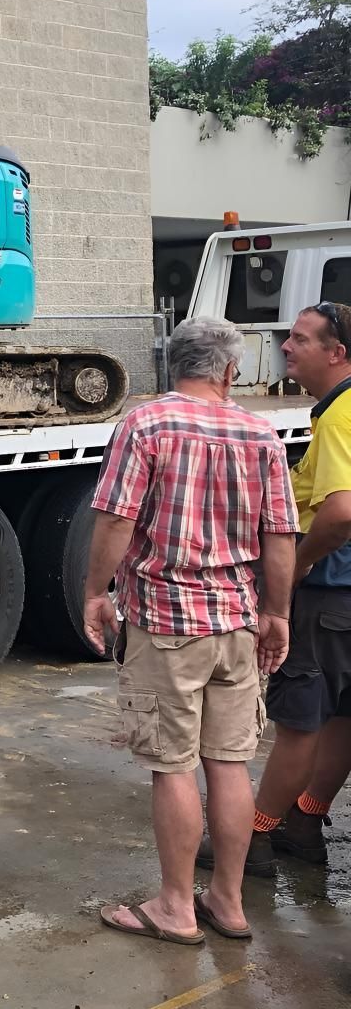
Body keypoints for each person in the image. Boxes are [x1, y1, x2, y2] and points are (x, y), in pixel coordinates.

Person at [84, 315, 296, 945]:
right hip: (237, 621)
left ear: (172, 365)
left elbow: (117, 520)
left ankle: (176, 907)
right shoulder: (261, 433)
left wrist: (98, 592)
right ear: (230, 371)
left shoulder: (147, 423)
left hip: (167, 621)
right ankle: (227, 902)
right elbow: (279, 537)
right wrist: (277, 613)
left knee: (172, 765)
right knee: (229, 764)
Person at [199, 301, 351, 874]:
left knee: (301, 719)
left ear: (337, 353)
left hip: (332, 591)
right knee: (341, 713)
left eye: (301, 339)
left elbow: (340, 512)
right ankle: (306, 820)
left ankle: (256, 835)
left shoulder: (339, 417)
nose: (286, 347)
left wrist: (302, 564)